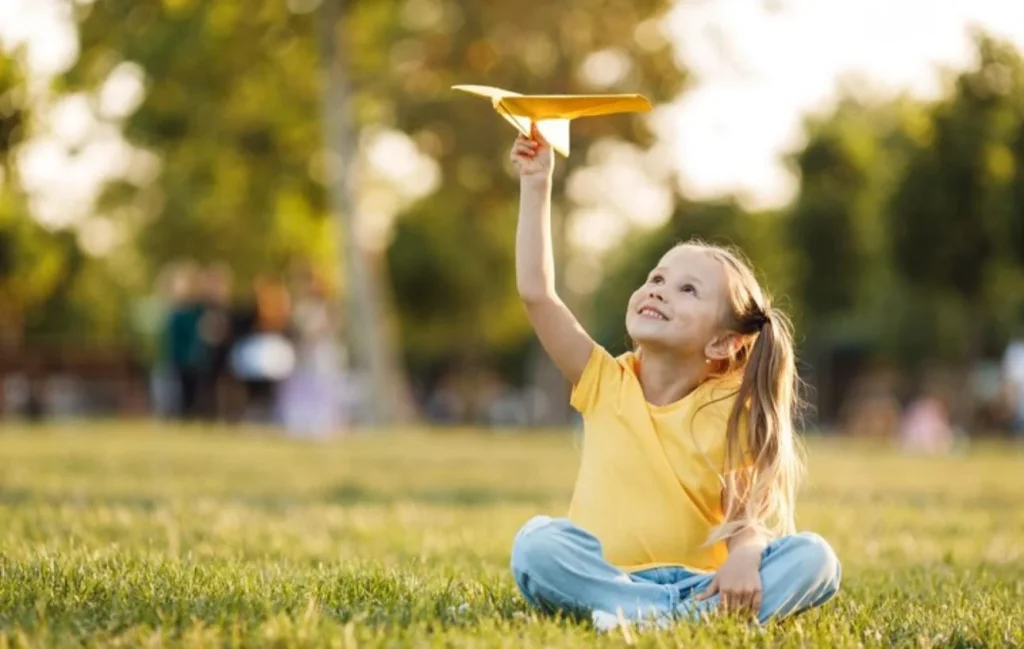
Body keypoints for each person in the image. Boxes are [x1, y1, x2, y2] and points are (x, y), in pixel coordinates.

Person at [507, 126, 841, 630]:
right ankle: (672, 620)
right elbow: (537, 294)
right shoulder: (603, 380)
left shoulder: (729, 410)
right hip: (607, 577)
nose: (658, 290)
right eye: (658, 278)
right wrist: (537, 185)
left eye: (687, 289)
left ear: (723, 343)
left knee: (816, 559)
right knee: (536, 545)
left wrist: (746, 557)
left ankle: (649, 618)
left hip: (699, 583)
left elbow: (743, 522)